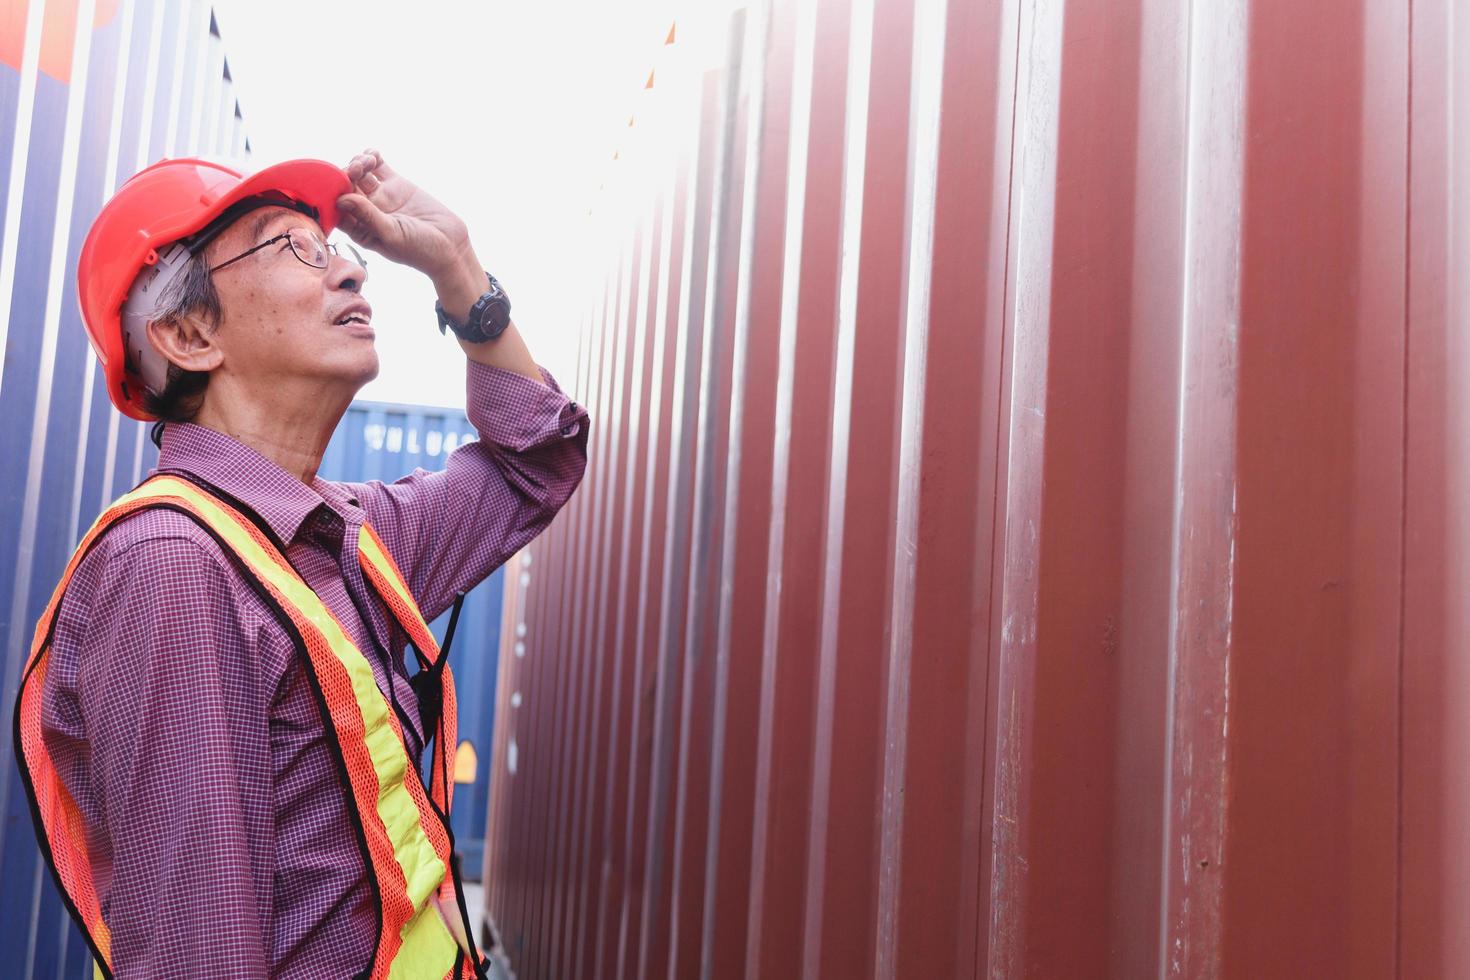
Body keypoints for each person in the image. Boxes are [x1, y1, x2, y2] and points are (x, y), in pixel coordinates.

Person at [13, 150, 589, 979]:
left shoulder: (347, 534)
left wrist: (458, 268)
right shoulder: (174, 566)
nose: (354, 271)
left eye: (335, 250)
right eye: (293, 248)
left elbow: (535, 460)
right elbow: (201, 958)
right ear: (188, 334)